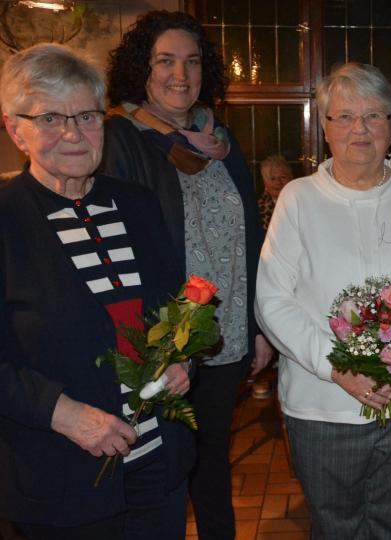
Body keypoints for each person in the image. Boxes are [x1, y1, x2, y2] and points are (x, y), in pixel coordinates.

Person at [255, 62, 391, 539]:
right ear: (324, 127)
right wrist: (336, 367)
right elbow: (272, 299)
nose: (360, 129)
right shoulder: (298, 198)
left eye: (374, 116)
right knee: (336, 527)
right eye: (345, 117)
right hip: (324, 403)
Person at [0, 43, 192, 539]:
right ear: (14, 129)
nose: (72, 133)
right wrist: (62, 414)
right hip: (62, 479)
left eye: (86, 115)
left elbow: (177, 311)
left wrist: (181, 359)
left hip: (158, 465)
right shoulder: (6, 219)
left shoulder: (139, 203)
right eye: (49, 118)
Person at [99, 11, 273, 540]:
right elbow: (126, 246)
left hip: (224, 334)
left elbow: (251, 234)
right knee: (162, 464)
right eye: (166, 60)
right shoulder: (121, 138)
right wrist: (159, 340)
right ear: (141, 69)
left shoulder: (220, 138)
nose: (182, 74)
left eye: (192, 61)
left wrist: (258, 324)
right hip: (162, 340)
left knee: (212, 456)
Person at [258, 154, 293, 231]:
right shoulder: (258, 209)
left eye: (283, 177)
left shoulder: (299, 202)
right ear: (265, 182)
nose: (278, 182)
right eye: (272, 179)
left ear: (291, 178)